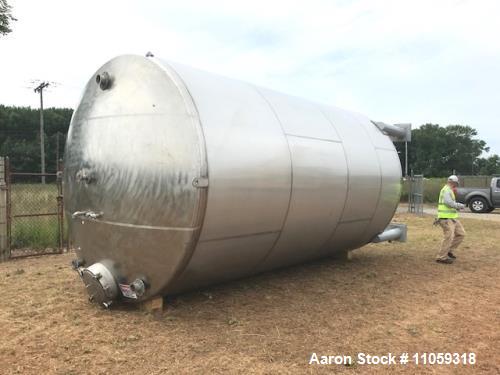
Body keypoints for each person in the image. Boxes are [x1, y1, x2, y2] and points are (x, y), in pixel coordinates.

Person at [435, 175, 466, 264]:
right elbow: (449, 203)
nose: (456, 185)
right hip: (446, 218)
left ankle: (449, 251)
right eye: (456, 184)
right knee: (449, 237)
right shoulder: (446, 190)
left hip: (452, 218)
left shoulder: (450, 190)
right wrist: (459, 205)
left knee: (461, 234)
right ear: (453, 182)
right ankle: (441, 257)